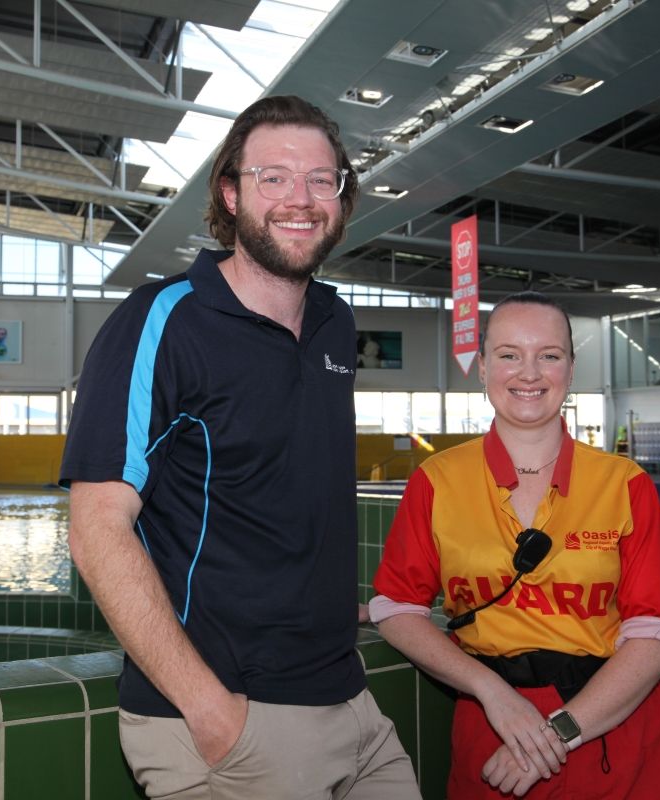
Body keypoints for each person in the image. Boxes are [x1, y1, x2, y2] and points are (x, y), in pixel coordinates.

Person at [61, 95, 421, 800]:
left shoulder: (333, 322)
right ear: (230, 193)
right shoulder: (162, 322)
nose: (302, 198)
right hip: (231, 725)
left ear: (343, 199)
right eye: (274, 177)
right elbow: (96, 528)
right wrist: (212, 713)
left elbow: (283, 493)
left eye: (322, 179)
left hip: (349, 701)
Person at [370, 291, 660, 799]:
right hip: (494, 731)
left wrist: (557, 732)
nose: (529, 372)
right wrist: (493, 693)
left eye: (549, 355)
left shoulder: (624, 484)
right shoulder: (437, 481)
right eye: (509, 354)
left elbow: (655, 634)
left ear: (570, 368)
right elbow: (395, 606)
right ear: (481, 367)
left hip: (612, 733)